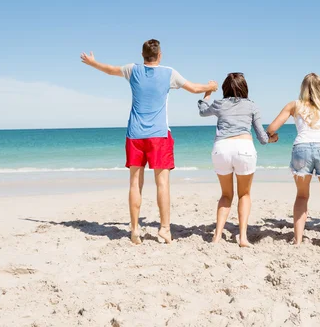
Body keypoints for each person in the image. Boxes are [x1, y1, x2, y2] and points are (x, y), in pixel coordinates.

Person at [81, 39, 218, 245]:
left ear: (142, 55)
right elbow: (193, 88)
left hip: (135, 135)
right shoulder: (169, 72)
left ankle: (135, 229)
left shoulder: (132, 70)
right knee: (162, 183)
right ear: (159, 55)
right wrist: (211, 86)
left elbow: (109, 70)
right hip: (159, 135)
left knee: (135, 183)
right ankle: (164, 229)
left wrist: (93, 63)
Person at [266, 73, 320, 247]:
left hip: (301, 148)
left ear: (303, 88)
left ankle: (297, 240)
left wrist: (273, 137)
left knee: (302, 196)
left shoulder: (294, 105)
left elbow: (271, 128)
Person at [198, 72, 277, 247]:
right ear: (245, 88)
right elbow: (262, 138)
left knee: (226, 195)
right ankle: (242, 238)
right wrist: (272, 138)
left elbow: (202, 111)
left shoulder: (219, 104)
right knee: (244, 194)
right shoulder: (252, 106)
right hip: (244, 149)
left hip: (222, 149)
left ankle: (217, 236)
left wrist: (208, 92)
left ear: (225, 88)